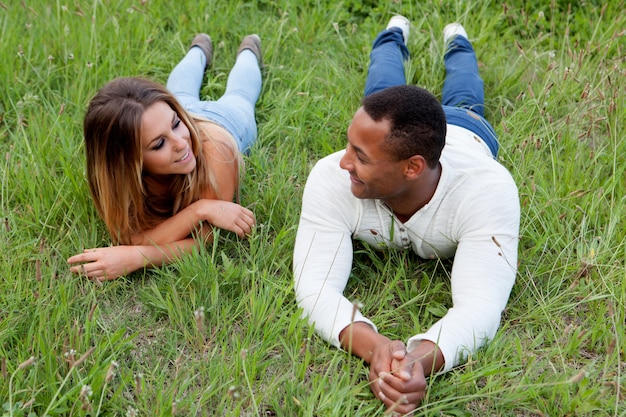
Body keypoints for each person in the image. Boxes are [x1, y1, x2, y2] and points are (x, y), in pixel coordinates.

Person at [293, 16, 520, 414]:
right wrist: (376, 348)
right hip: (396, 132)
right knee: (382, 79)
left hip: (466, 130)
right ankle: (393, 33)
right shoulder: (331, 177)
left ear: (412, 168)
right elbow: (314, 289)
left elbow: (480, 306)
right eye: (349, 146)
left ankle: (458, 40)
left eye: (359, 156)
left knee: (465, 91)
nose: (342, 162)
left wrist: (419, 361)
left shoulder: (488, 191)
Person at [67, 33, 263, 281]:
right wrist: (199, 210)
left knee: (239, 96)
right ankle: (198, 52)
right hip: (171, 118)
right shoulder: (120, 180)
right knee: (181, 92)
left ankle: (244, 49)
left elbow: (205, 240)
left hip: (225, 123)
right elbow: (130, 236)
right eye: (159, 144)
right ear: (128, 165)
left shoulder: (216, 153)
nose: (181, 144)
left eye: (175, 124)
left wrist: (137, 257)